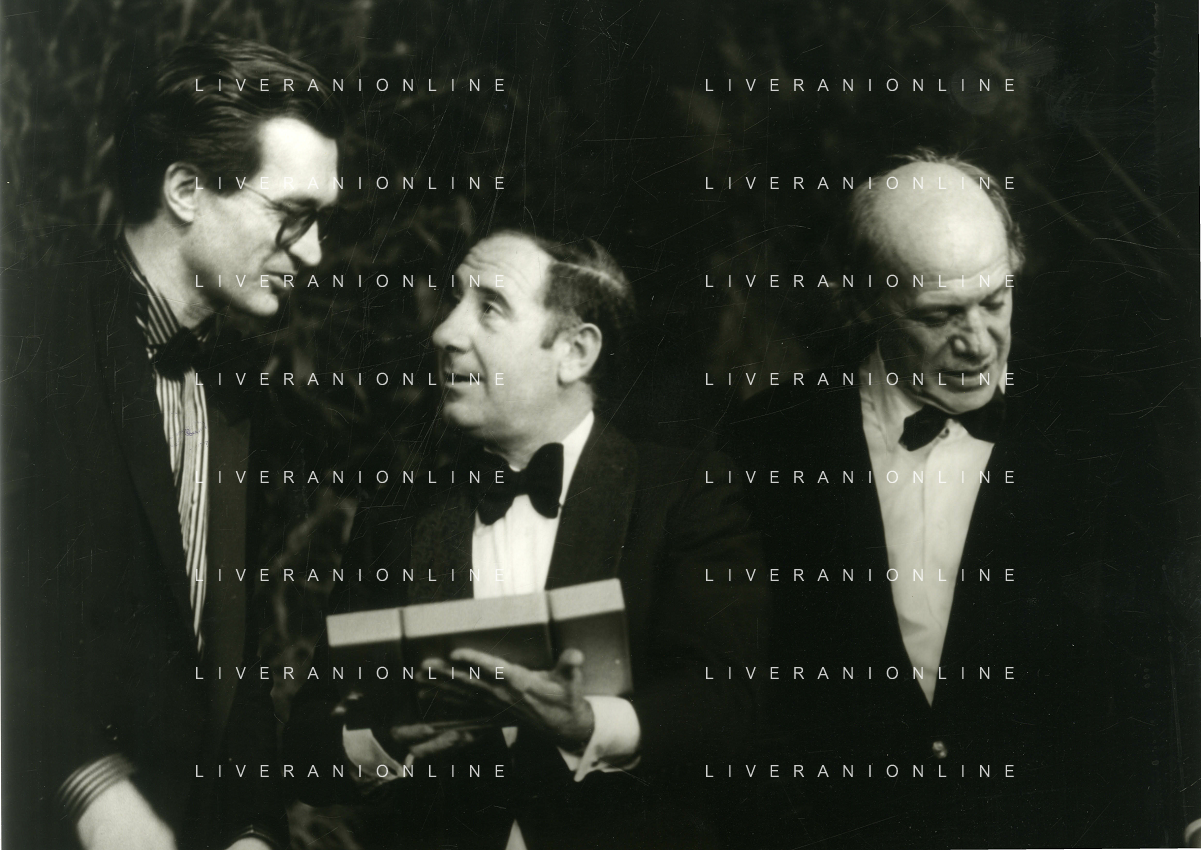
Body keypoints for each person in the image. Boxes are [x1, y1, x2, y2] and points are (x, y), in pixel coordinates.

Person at [724, 150, 1201, 848]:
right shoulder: (768, 443)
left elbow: (1168, 650)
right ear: (864, 301)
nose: (977, 344)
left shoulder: (1106, 435)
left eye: (995, 301)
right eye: (939, 314)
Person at [284, 230, 768, 849]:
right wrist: (382, 739)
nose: (445, 332)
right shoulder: (398, 514)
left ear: (574, 352)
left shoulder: (684, 495)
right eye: (455, 299)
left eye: (489, 306)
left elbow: (728, 705)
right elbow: (307, 747)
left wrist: (589, 724)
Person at [2, 36, 343, 850]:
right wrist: (90, 788)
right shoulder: (23, 328)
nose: (313, 253)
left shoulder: (240, 392)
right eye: (292, 214)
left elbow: (231, 664)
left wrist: (252, 830)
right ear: (186, 189)